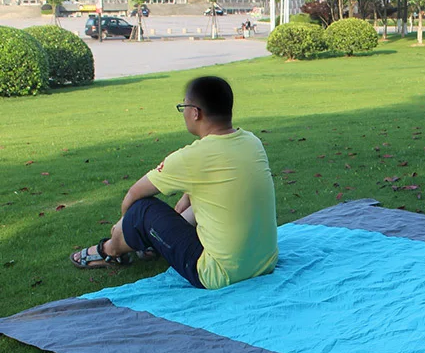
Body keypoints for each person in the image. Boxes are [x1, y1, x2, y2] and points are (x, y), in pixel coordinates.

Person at [70, 76, 278, 290]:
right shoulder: (252, 142)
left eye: (184, 107)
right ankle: (148, 244)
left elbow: (134, 195)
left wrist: (121, 226)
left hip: (218, 274)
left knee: (142, 209)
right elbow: (204, 191)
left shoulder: (192, 157)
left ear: (195, 112)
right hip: (263, 263)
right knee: (201, 203)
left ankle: (109, 251)